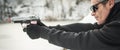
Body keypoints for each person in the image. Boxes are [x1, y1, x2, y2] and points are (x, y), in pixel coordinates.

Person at [24, 0, 120, 50]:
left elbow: (83, 40)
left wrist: (42, 32)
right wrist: (47, 28)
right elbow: (88, 28)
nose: (92, 13)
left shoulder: (117, 26)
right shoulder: (113, 18)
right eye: (91, 9)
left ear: (110, 3)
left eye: (95, 8)